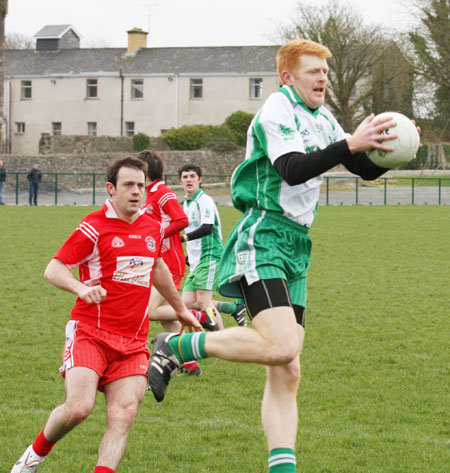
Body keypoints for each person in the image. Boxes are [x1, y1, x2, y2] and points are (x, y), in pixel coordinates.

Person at [147, 38, 420, 472]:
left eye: (325, 72)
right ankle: (179, 344)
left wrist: (396, 150)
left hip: (298, 244)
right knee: (283, 344)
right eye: (313, 71)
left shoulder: (323, 117)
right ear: (287, 76)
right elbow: (292, 168)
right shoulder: (277, 109)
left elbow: (363, 169)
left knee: (288, 367)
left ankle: (282, 468)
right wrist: (351, 143)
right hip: (265, 234)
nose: (323, 78)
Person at [11, 156, 200, 473]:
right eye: (128, 185)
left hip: (134, 341)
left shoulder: (152, 227)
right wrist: (81, 288)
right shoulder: (94, 226)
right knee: (79, 408)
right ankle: (34, 455)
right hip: (90, 333)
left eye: (140, 185)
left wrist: (180, 309)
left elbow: (156, 266)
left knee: (123, 414)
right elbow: (53, 268)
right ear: (111, 189)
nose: (136, 191)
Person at [137, 149, 202, 375]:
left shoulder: (163, 193)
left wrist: (157, 233)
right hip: (155, 263)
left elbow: (182, 220)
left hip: (169, 264)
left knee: (151, 311)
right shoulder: (149, 194)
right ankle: (190, 364)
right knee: (167, 320)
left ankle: (196, 314)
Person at [179, 163, 246, 327]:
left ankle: (223, 339)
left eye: (192, 176)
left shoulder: (205, 200)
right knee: (185, 303)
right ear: (180, 181)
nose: (189, 180)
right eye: (185, 177)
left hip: (209, 256)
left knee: (203, 303)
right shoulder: (185, 204)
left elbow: (207, 228)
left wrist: (182, 239)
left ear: (200, 179)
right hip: (197, 261)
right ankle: (233, 308)